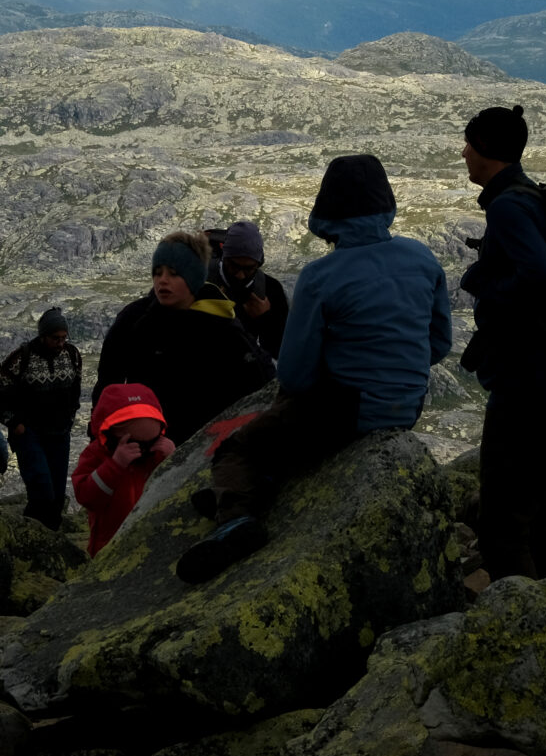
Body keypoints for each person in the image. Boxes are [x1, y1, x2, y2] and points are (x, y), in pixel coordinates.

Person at [176, 155, 452, 583]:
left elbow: (297, 376)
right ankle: (259, 481)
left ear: (327, 209)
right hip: (408, 404)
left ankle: (235, 518)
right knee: (290, 430)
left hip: (346, 412)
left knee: (239, 447)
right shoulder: (422, 257)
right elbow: (438, 344)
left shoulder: (321, 276)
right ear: (387, 203)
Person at [459, 104, 546, 582]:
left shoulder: (509, 205)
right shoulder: (529, 196)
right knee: (541, 514)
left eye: (469, 144)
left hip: (525, 385)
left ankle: (520, 625)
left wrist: (484, 283)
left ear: (486, 150)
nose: (463, 153)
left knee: (504, 521)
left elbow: (540, 276)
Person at [94, 231, 276, 443]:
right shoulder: (134, 319)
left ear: (194, 277)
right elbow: (108, 384)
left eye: (174, 273)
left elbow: (263, 378)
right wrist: (100, 440)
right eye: (157, 272)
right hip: (146, 448)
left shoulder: (222, 323)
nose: (163, 281)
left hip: (204, 448)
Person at [0, 307, 83, 528]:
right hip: (30, 434)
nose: (60, 343)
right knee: (41, 488)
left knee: (58, 494)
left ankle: (52, 536)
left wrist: (70, 415)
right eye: (55, 338)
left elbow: (75, 388)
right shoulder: (22, 357)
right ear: (42, 336)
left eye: (63, 338)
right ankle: (32, 535)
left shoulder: (72, 355)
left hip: (60, 434)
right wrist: (13, 421)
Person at [71, 383, 175, 555]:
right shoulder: (96, 454)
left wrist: (174, 458)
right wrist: (114, 465)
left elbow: (175, 490)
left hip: (152, 537)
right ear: (111, 436)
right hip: (110, 544)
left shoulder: (158, 452)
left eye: (150, 442)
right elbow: (85, 496)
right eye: (136, 444)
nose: (143, 451)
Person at [208, 220, 291, 362]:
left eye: (249, 268)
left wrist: (265, 319)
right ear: (224, 257)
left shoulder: (271, 290)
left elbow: (282, 354)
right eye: (233, 266)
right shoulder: (201, 280)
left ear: (259, 264)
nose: (240, 275)